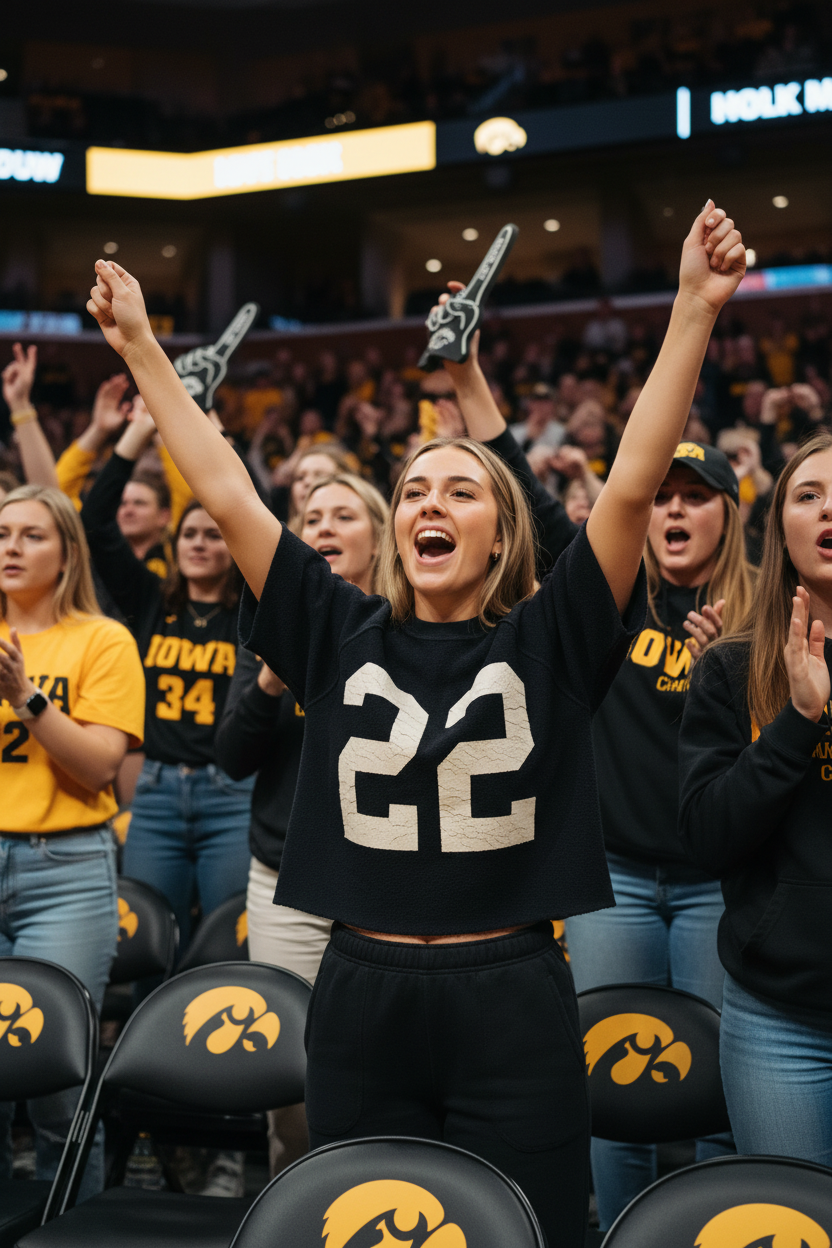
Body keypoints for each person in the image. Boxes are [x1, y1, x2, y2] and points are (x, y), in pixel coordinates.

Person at [85, 200, 746, 1247]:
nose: (429, 501)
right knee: (359, 1229)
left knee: (533, 1229)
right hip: (359, 988)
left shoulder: (554, 635)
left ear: (498, 535)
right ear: (398, 529)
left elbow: (625, 487)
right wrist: (145, 352)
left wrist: (692, 312)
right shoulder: (329, 623)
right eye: (412, 489)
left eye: (460, 489)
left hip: (515, 990)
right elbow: (224, 483)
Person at [565, 441, 754, 1229]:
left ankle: (709, 1231)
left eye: (697, 496)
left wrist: (726, 676)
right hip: (614, 880)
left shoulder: (765, 613)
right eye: (663, 495)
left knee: (723, 1089)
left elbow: (781, 762)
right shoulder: (608, 598)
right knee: (611, 1085)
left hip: (721, 883)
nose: (675, 509)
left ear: (729, 514)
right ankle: (621, 1233)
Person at [214, 470, 388, 1178]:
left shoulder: (412, 625)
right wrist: (270, 678)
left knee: (381, 1070)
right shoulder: (265, 625)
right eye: (311, 518)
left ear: (381, 538)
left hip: (385, 887)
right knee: (291, 1078)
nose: (322, 529)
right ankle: (297, 1203)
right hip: (287, 884)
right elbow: (231, 757)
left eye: (343, 516)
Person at [678, 428, 832, 1166]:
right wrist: (797, 725)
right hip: (780, 1019)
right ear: (778, 528)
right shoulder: (729, 668)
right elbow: (708, 837)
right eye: (809, 495)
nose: (831, 509)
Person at [0, 484, 144, 1199]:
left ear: (66, 554)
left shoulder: (103, 639)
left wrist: (28, 699)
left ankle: (71, 1233)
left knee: (58, 1085)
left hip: (65, 870)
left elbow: (100, 770)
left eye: (31, 536)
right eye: (2, 534)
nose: (11, 548)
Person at [80, 405, 253, 951]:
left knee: (227, 937)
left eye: (214, 535)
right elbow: (95, 524)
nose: (200, 543)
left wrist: (216, 440)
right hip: (154, 793)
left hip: (230, 793)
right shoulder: (151, 601)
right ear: (173, 546)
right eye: (189, 535)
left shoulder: (251, 609)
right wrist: (137, 431)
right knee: (147, 941)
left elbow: (249, 512)